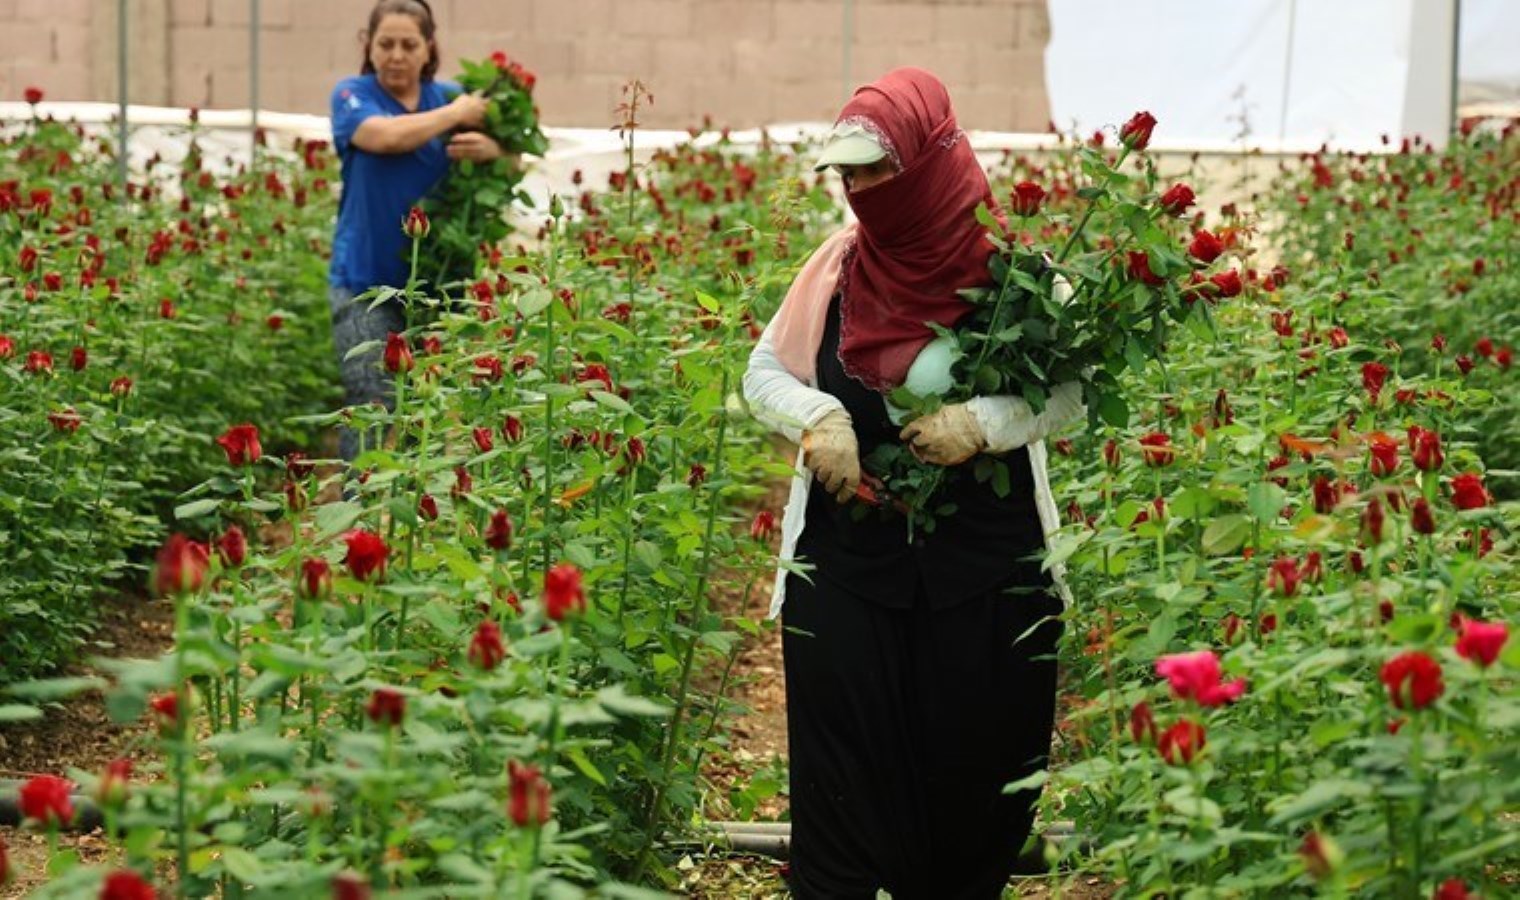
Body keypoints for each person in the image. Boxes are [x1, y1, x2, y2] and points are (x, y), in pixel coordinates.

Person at [743, 68, 1083, 899]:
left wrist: (985, 425)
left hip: (986, 571)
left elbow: (1075, 389)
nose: (859, 192)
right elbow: (762, 371)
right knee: (841, 779)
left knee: (978, 770)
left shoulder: (1019, 278)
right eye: (848, 175)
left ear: (930, 160)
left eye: (875, 170)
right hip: (849, 563)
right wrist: (820, 417)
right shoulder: (838, 267)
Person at [328, 0, 506, 461]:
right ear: (368, 45)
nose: (396, 55)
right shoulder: (353, 95)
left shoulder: (447, 98)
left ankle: (412, 522)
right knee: (370, 400)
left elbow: (513, 164)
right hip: (363, 282)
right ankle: (359, 519)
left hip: (435, 288)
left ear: (429, 48)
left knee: (424, 409)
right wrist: (457, 114)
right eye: (386, 44)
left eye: (409, 44)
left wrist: (492, 150)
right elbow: (385, 137)